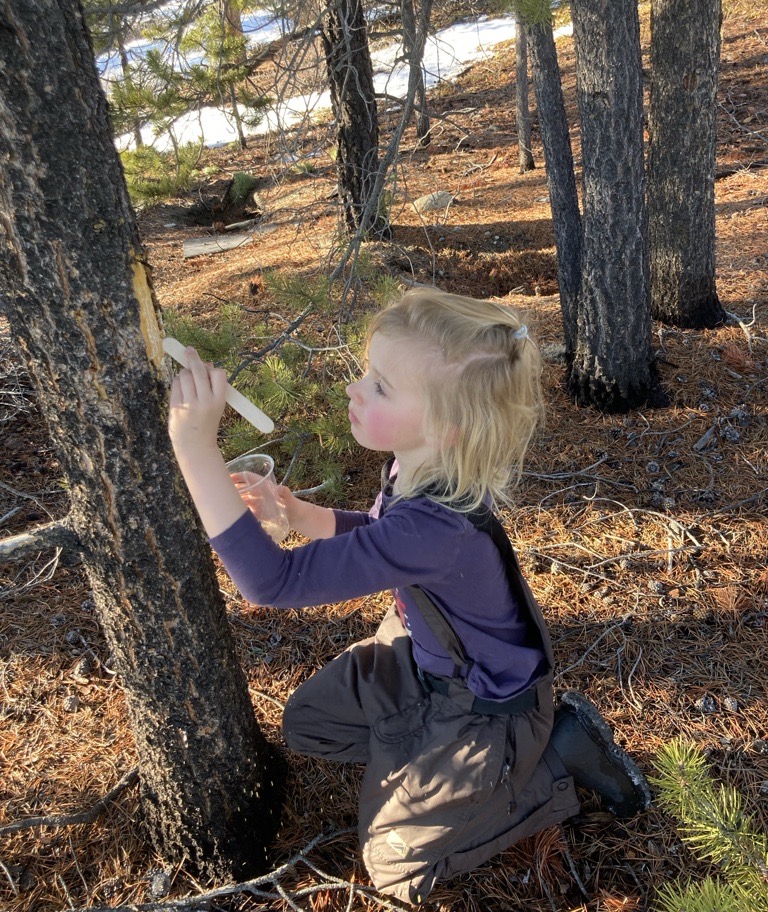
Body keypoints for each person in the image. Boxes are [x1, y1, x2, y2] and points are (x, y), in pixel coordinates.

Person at [168, 287, 651, 904]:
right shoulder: (415, 467)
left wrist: (194, 449)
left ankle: (552, 766)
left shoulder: (438, 525)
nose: (355, 389)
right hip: (427, 667)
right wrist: (303, 516)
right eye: (368, 374)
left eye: (382, 387)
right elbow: (379, 535)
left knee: (392, 865)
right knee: (307, 724)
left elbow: (270, 583)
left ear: (449, 428)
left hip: (489, 712)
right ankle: (428, 761)